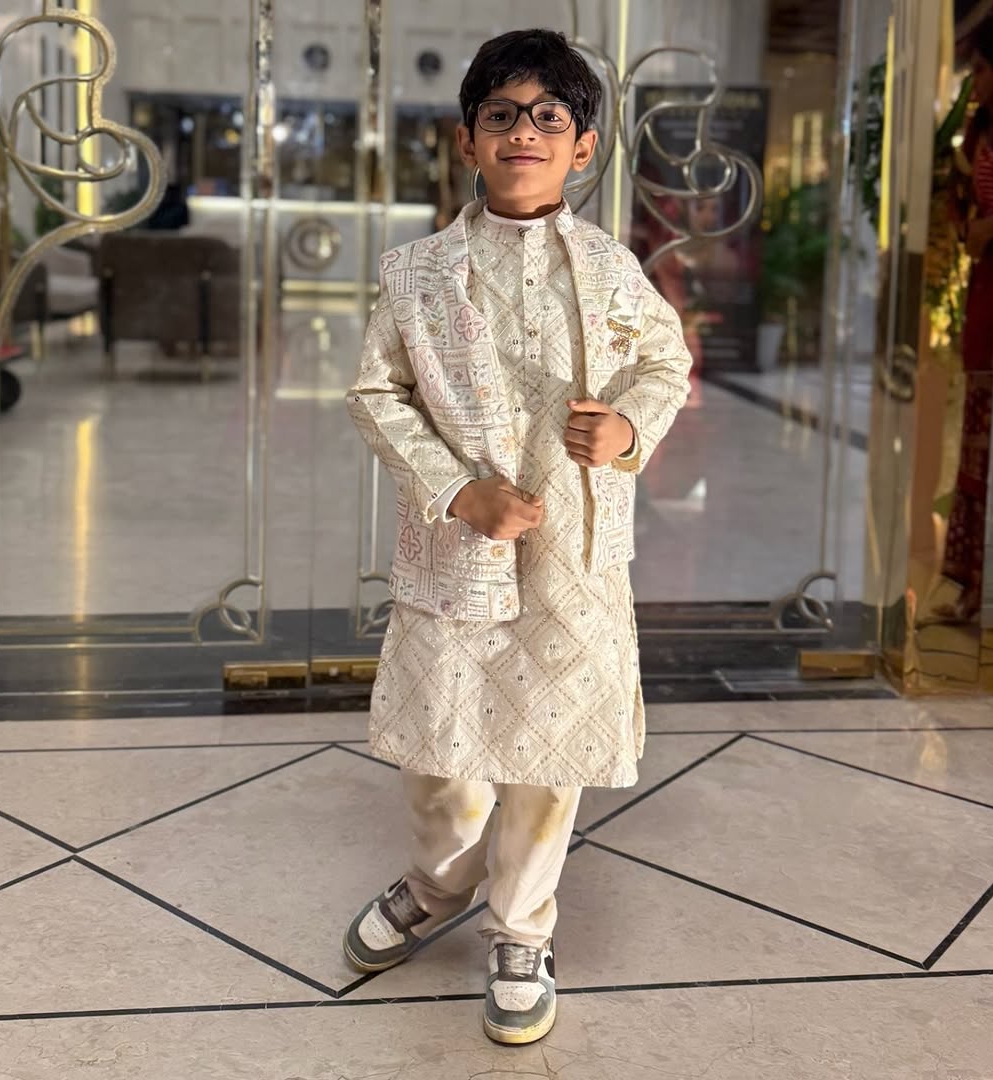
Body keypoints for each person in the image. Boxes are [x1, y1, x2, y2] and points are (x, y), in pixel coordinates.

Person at [344, 28, 692, 1045]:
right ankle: (437, 881)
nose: (524, 133)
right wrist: (458, 493)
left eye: (549, 116)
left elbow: (665, 364)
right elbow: (376, 394)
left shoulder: (612, 269)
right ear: (468, 140)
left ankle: (522, 927)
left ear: (583, 147)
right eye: (501, 114)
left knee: (549, 746)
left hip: (572, 547)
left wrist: (629, 430)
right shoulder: (416, 274)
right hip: (458, 546)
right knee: (440, 744)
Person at [935, 15, 993, 623]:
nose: (975, 82)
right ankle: (975, 586)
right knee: (979, 434)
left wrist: (990, 227)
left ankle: (990, 588)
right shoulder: (985, 126)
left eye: (981, 70)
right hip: (986, 287)